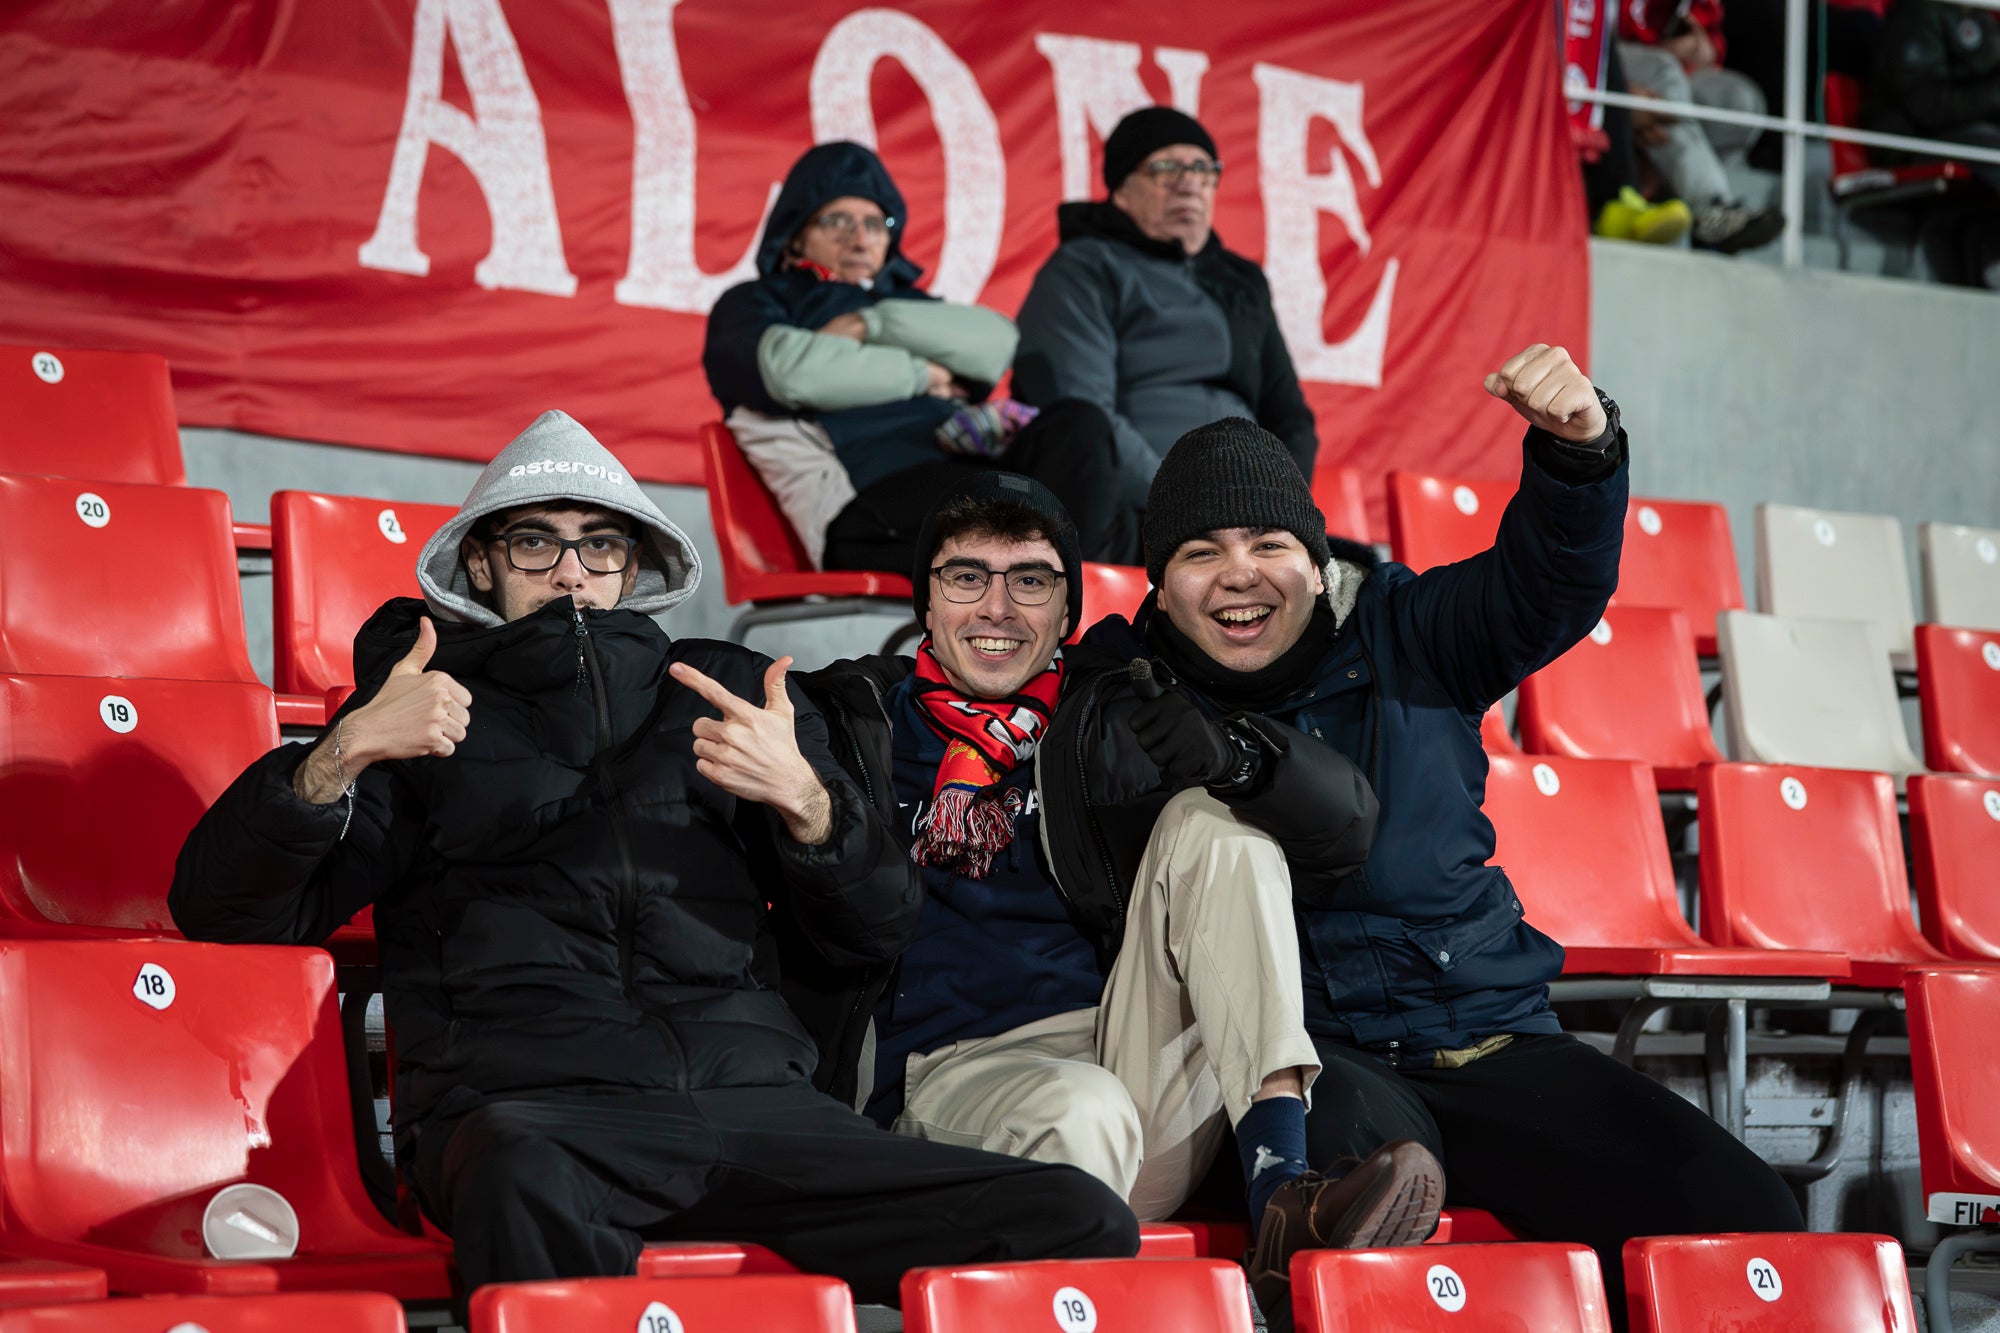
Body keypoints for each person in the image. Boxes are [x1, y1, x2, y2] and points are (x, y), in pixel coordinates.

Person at [169, 410, 1138, 1305]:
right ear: (480, 564)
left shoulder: (722, 691)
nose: (569, 570)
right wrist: (338, 752)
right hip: (540, 1107)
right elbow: (225, 909)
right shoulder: (421, 708)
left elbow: (874, 928)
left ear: (630, 567)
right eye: (535, 540)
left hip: (758, 1108)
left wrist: (808, 805)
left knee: (1074, 1216)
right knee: (516, 1176)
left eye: (597, 543)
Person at [1078, 347, 1805, 1328]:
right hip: (1314, 1055)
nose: (1237, 576)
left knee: (1743, 1212)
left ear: (1314, 555)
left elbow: (1544, 585)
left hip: (1487, 1033)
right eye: (1198, 553)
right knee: (1361, 1204)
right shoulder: (1124, 701)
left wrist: (1577, 459)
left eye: (1266, 544)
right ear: (1158, 587)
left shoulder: (1405, 626)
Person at [791, 471, 1442, 1311]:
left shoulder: (1106, 714)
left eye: (1030, 579)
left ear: (1066, 612)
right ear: (926, 601)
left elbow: (1344, 824)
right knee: (1083, 1107)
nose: (996, 606)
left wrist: (1230, 754)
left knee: (1218, 822)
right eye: (966, 577)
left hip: (1127, 1058)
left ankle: (1283, 1189)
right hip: (948, 1080)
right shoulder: (854, 721)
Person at [703, 141, 1144, 571]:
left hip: (969, 480)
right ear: (795, 238)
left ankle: (1067, 589)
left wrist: (865, 326)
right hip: (869, 507)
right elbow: (791, 373)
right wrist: (922, 374)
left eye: (877, 224)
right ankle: (1066, 596)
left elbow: (994, 343)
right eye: (837, 221)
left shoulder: (905, 304)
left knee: (1081, 427)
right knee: (1021, 506)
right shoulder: (756, 302)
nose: (860, 239)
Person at [1011, 107, 1317, 510]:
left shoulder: (1242, 282)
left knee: (1374, 568)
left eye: (1203, 169)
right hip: (1130, 510)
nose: (1189, 183)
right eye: (1166, 168)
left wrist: (1277, 509)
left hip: (1243, 511)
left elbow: (1290, 419)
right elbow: (1082, 415)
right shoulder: (1084, 267)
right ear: (1122, 189)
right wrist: (1180, 507)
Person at [1619, 0, 1787, 253]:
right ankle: (1710, 208)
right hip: (1604, 58)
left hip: (1669, 69)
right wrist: (1619, 90)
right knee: (1663, 71)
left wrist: (1700, 48)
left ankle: (1712, 219)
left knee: (1739, 99)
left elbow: (1710, 45)